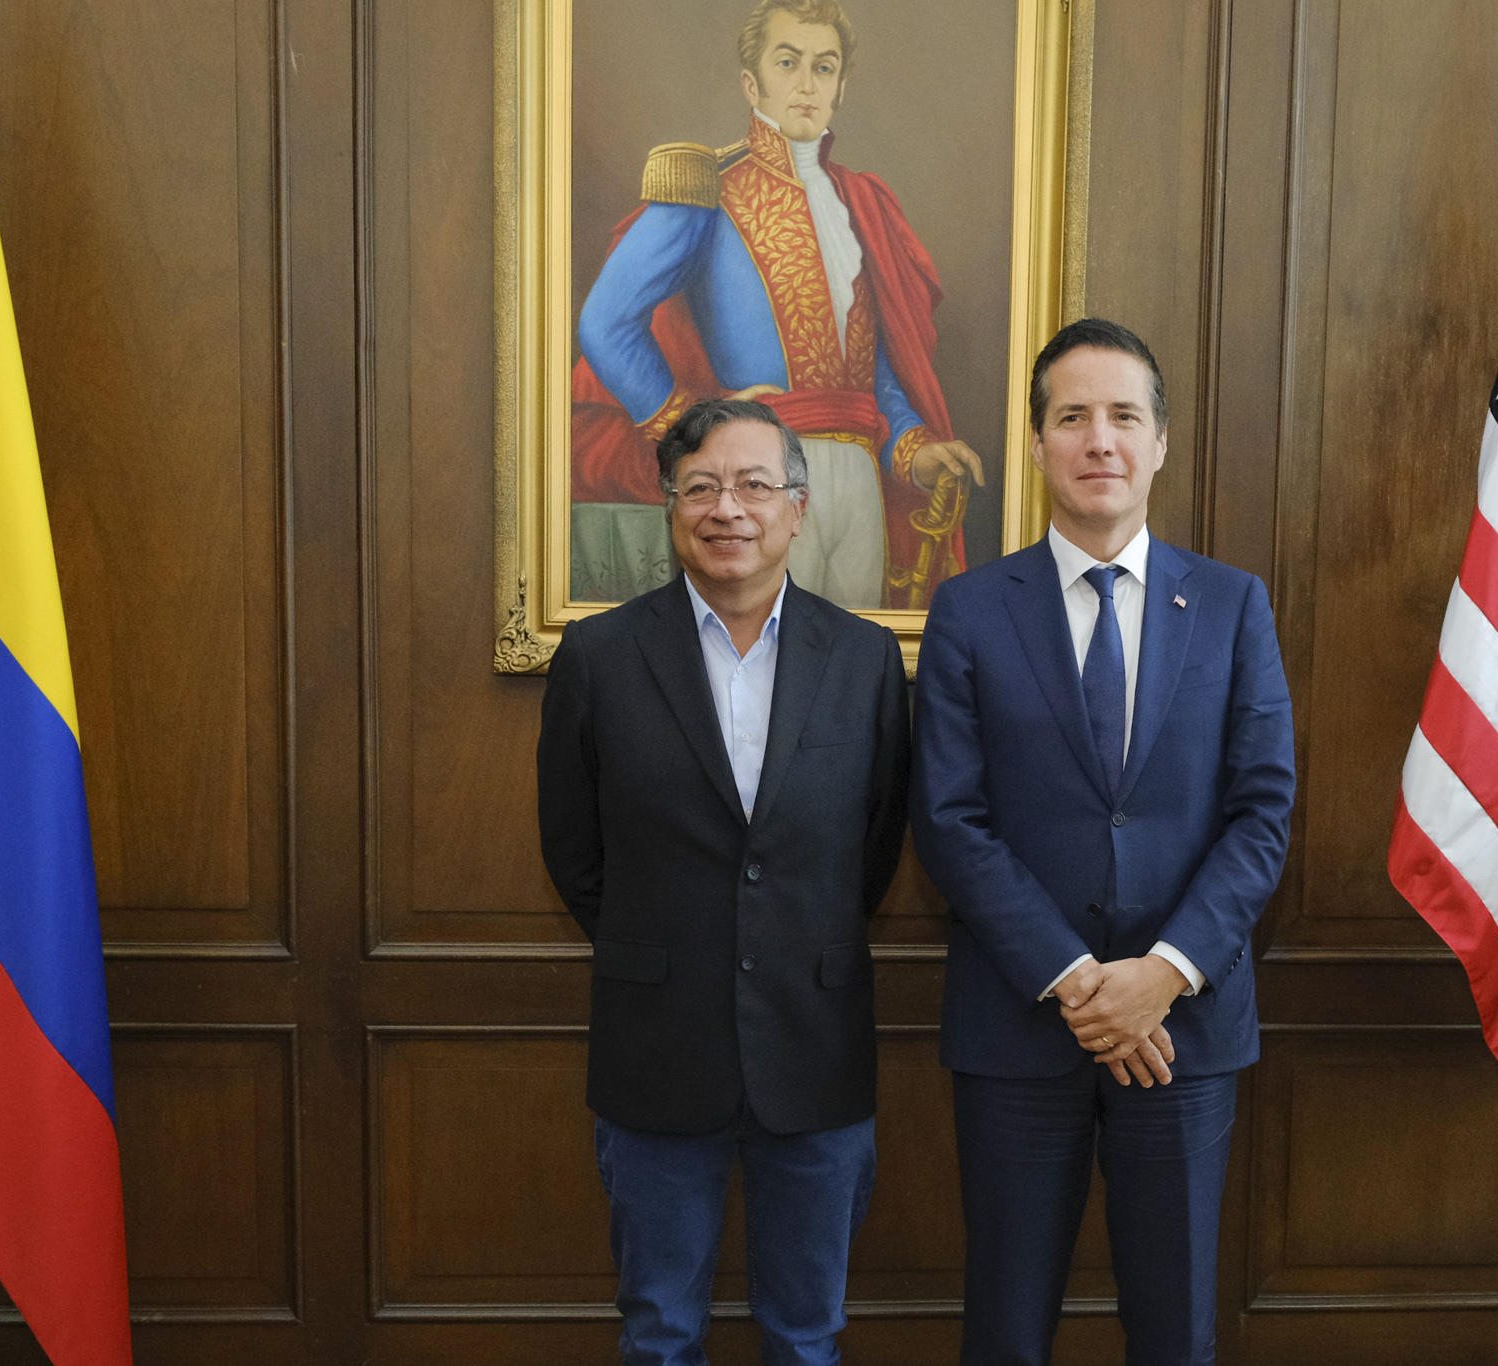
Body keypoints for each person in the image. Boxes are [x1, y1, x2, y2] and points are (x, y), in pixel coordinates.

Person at [911, 319, 1295, 1365]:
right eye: (1071, 416)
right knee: (1006, 1326)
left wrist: (1161, 977)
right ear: (1038, 443)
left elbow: (1263, 814)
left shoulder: (1231, 604)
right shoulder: (969, 610)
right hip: (1018, 1026)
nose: (1099, 440)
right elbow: (949, 818)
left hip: (1186, 1033)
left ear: (1160, 442)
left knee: (1175, 1329)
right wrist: (1082, 981)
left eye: (1124, 415)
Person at [537, 397, 912, 1366]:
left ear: (797, 507)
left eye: (753, 484)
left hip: (815, 1046)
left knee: (807, 1331)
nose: (727, 507)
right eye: (699, 486)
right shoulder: (600, 657)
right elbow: (575, 852)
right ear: (670, 508)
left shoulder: (866, 660)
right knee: (660, 1332)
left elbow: (875, 844)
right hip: (657, 1047)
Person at [570, 0, 984, 610]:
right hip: (761, 478)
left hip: (861, 481)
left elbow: (875, 373)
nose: (805, 83)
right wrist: (686, 426)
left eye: (823, 67)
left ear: (840, 86)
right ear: (752, 82)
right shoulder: (705, 184)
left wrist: (914, 448)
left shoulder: (863, 202)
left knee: (851, 668)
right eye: (787, 62)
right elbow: (605, 323)